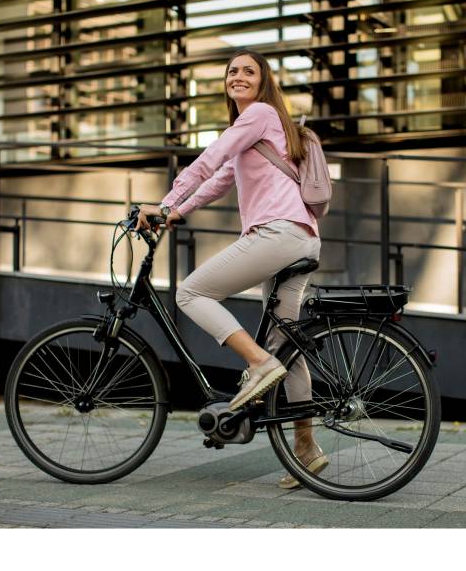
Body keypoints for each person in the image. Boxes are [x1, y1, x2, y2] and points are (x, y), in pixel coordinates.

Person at [135, 48, 328, 488]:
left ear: (263, 83)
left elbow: (209, 158)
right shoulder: (256, 131)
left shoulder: (258, 115)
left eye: (248, 71)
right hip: (302, 236)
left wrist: (163, 203)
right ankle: (305, 450)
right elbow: (220, 178)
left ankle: (257, 365)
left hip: (278, 234)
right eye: (232, 71)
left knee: (191, 293)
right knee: (286, 346)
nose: (238, 76)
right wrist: (179, 210)